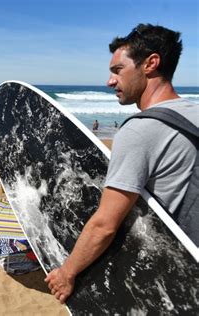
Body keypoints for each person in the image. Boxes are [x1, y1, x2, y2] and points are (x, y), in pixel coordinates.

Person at [45, 24, 197, 304]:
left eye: (117, 70)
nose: (110, 81)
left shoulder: (140, 130)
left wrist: (67, 272)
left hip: (164, 284)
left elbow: (104, 225)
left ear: (150, 64)